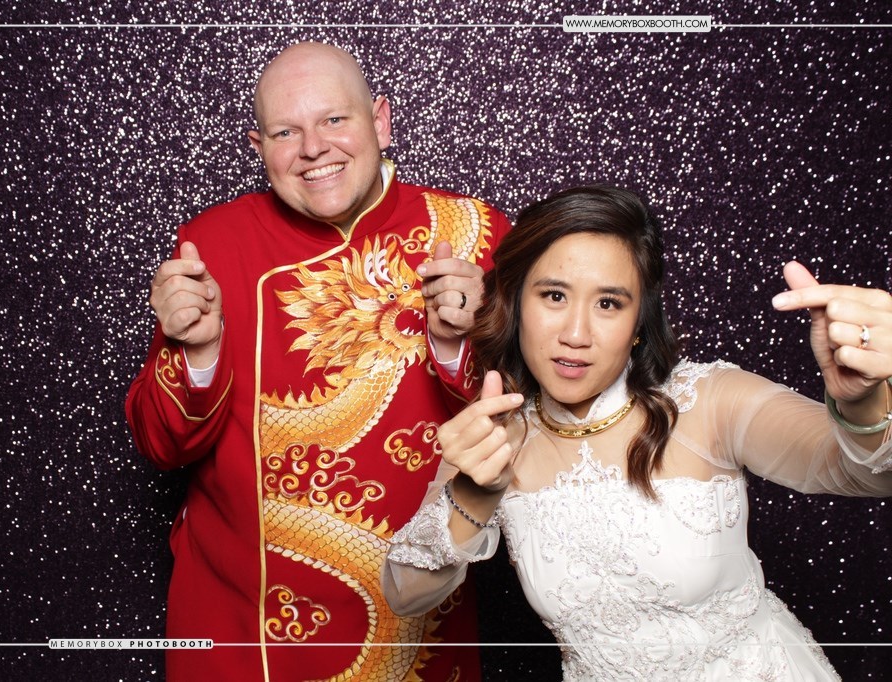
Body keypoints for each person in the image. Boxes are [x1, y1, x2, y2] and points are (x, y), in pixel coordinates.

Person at [383, 186, 892, 680]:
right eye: (554, 296)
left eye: (609, 303)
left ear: (639, 322)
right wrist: (475, 493)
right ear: (515, 303)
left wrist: (863, 400)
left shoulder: (709, 401)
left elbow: (868, 475)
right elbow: (404, 595)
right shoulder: (494, 433)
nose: (576, 335)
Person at [125, 41, 511, 681]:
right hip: (244, 630)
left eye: (335, 119)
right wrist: (196, 352)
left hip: (421, 622)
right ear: (259, 147)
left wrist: (455, 343)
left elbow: (531, 432)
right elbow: (162, 447)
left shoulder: (475, 233)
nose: (313, 148)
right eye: (286, 132)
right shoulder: (211, 244)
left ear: (381, 121)